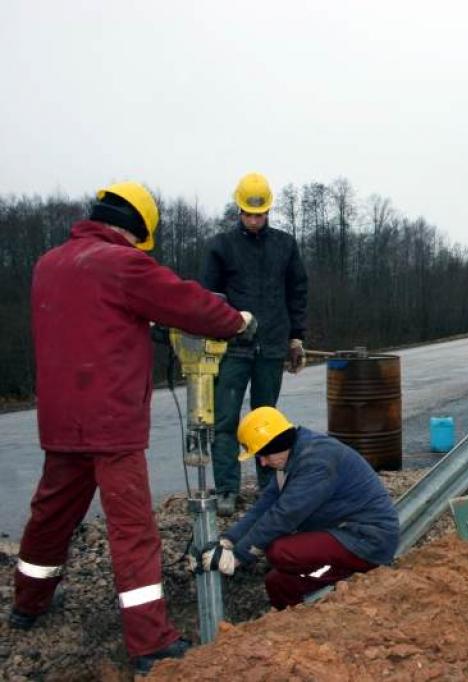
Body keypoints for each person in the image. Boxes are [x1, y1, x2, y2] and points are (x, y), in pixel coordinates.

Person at [11, 182, 254, 675]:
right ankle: (149, 644)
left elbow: (90, 322)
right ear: (138, 228)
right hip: (111, 423)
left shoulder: (49, 264)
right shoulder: (122, 264)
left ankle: (27, 604)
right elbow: (189, 304)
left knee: (50, 515)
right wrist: (236, 321)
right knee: (133, 531)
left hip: (61, 420)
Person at [201, 407, 398, 609]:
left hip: (367, 538)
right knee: (277, 583)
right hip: (342, 534)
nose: (263, 462)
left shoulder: (316, 462)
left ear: (277, 443)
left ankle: (348, 576)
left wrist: (239, 556)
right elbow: (264, 506)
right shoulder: (291, 457)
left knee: (280, 551)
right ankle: (295, 625)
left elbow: (285, 515)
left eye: (264, 455)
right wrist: (229, 540)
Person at [202, 172, 309, 517]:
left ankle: (268, 486)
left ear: (268, 211)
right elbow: (209, 297)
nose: (254, 219)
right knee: (225, 419)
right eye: (248, 213)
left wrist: (296, 337)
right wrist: (219, 331)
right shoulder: (222, 246)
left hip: (272, 346)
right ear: (239, 210)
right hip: (233, 348)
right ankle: (226, 490)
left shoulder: (285, 245)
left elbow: (297, 292)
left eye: (259, 214)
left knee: (267, 419)